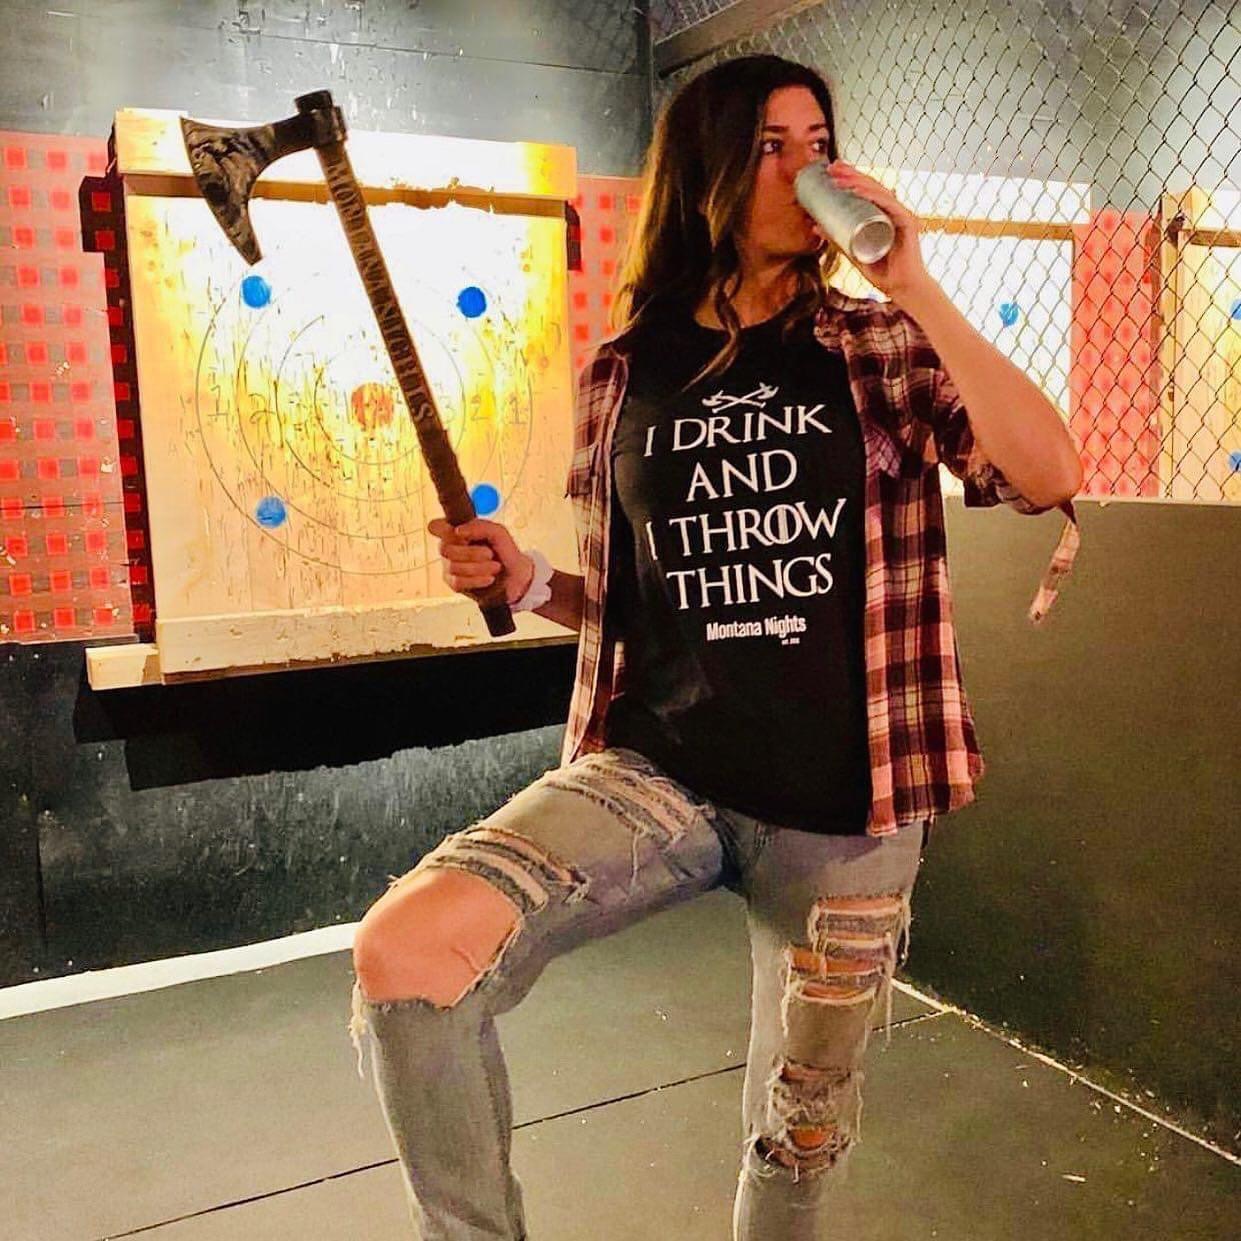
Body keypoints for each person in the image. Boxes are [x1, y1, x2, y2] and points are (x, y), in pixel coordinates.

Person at [348, 53, 1082, 1240]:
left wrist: (919, 283)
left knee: (793, 1138)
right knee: (406, 950)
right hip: (659, 774)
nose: (806, 168)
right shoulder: (624, 370)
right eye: (769, 145)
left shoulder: (880, 345)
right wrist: (527, 577)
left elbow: (1047, 472)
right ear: (705, 172)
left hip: (848, 810)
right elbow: (645, 602)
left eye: (818, 140)